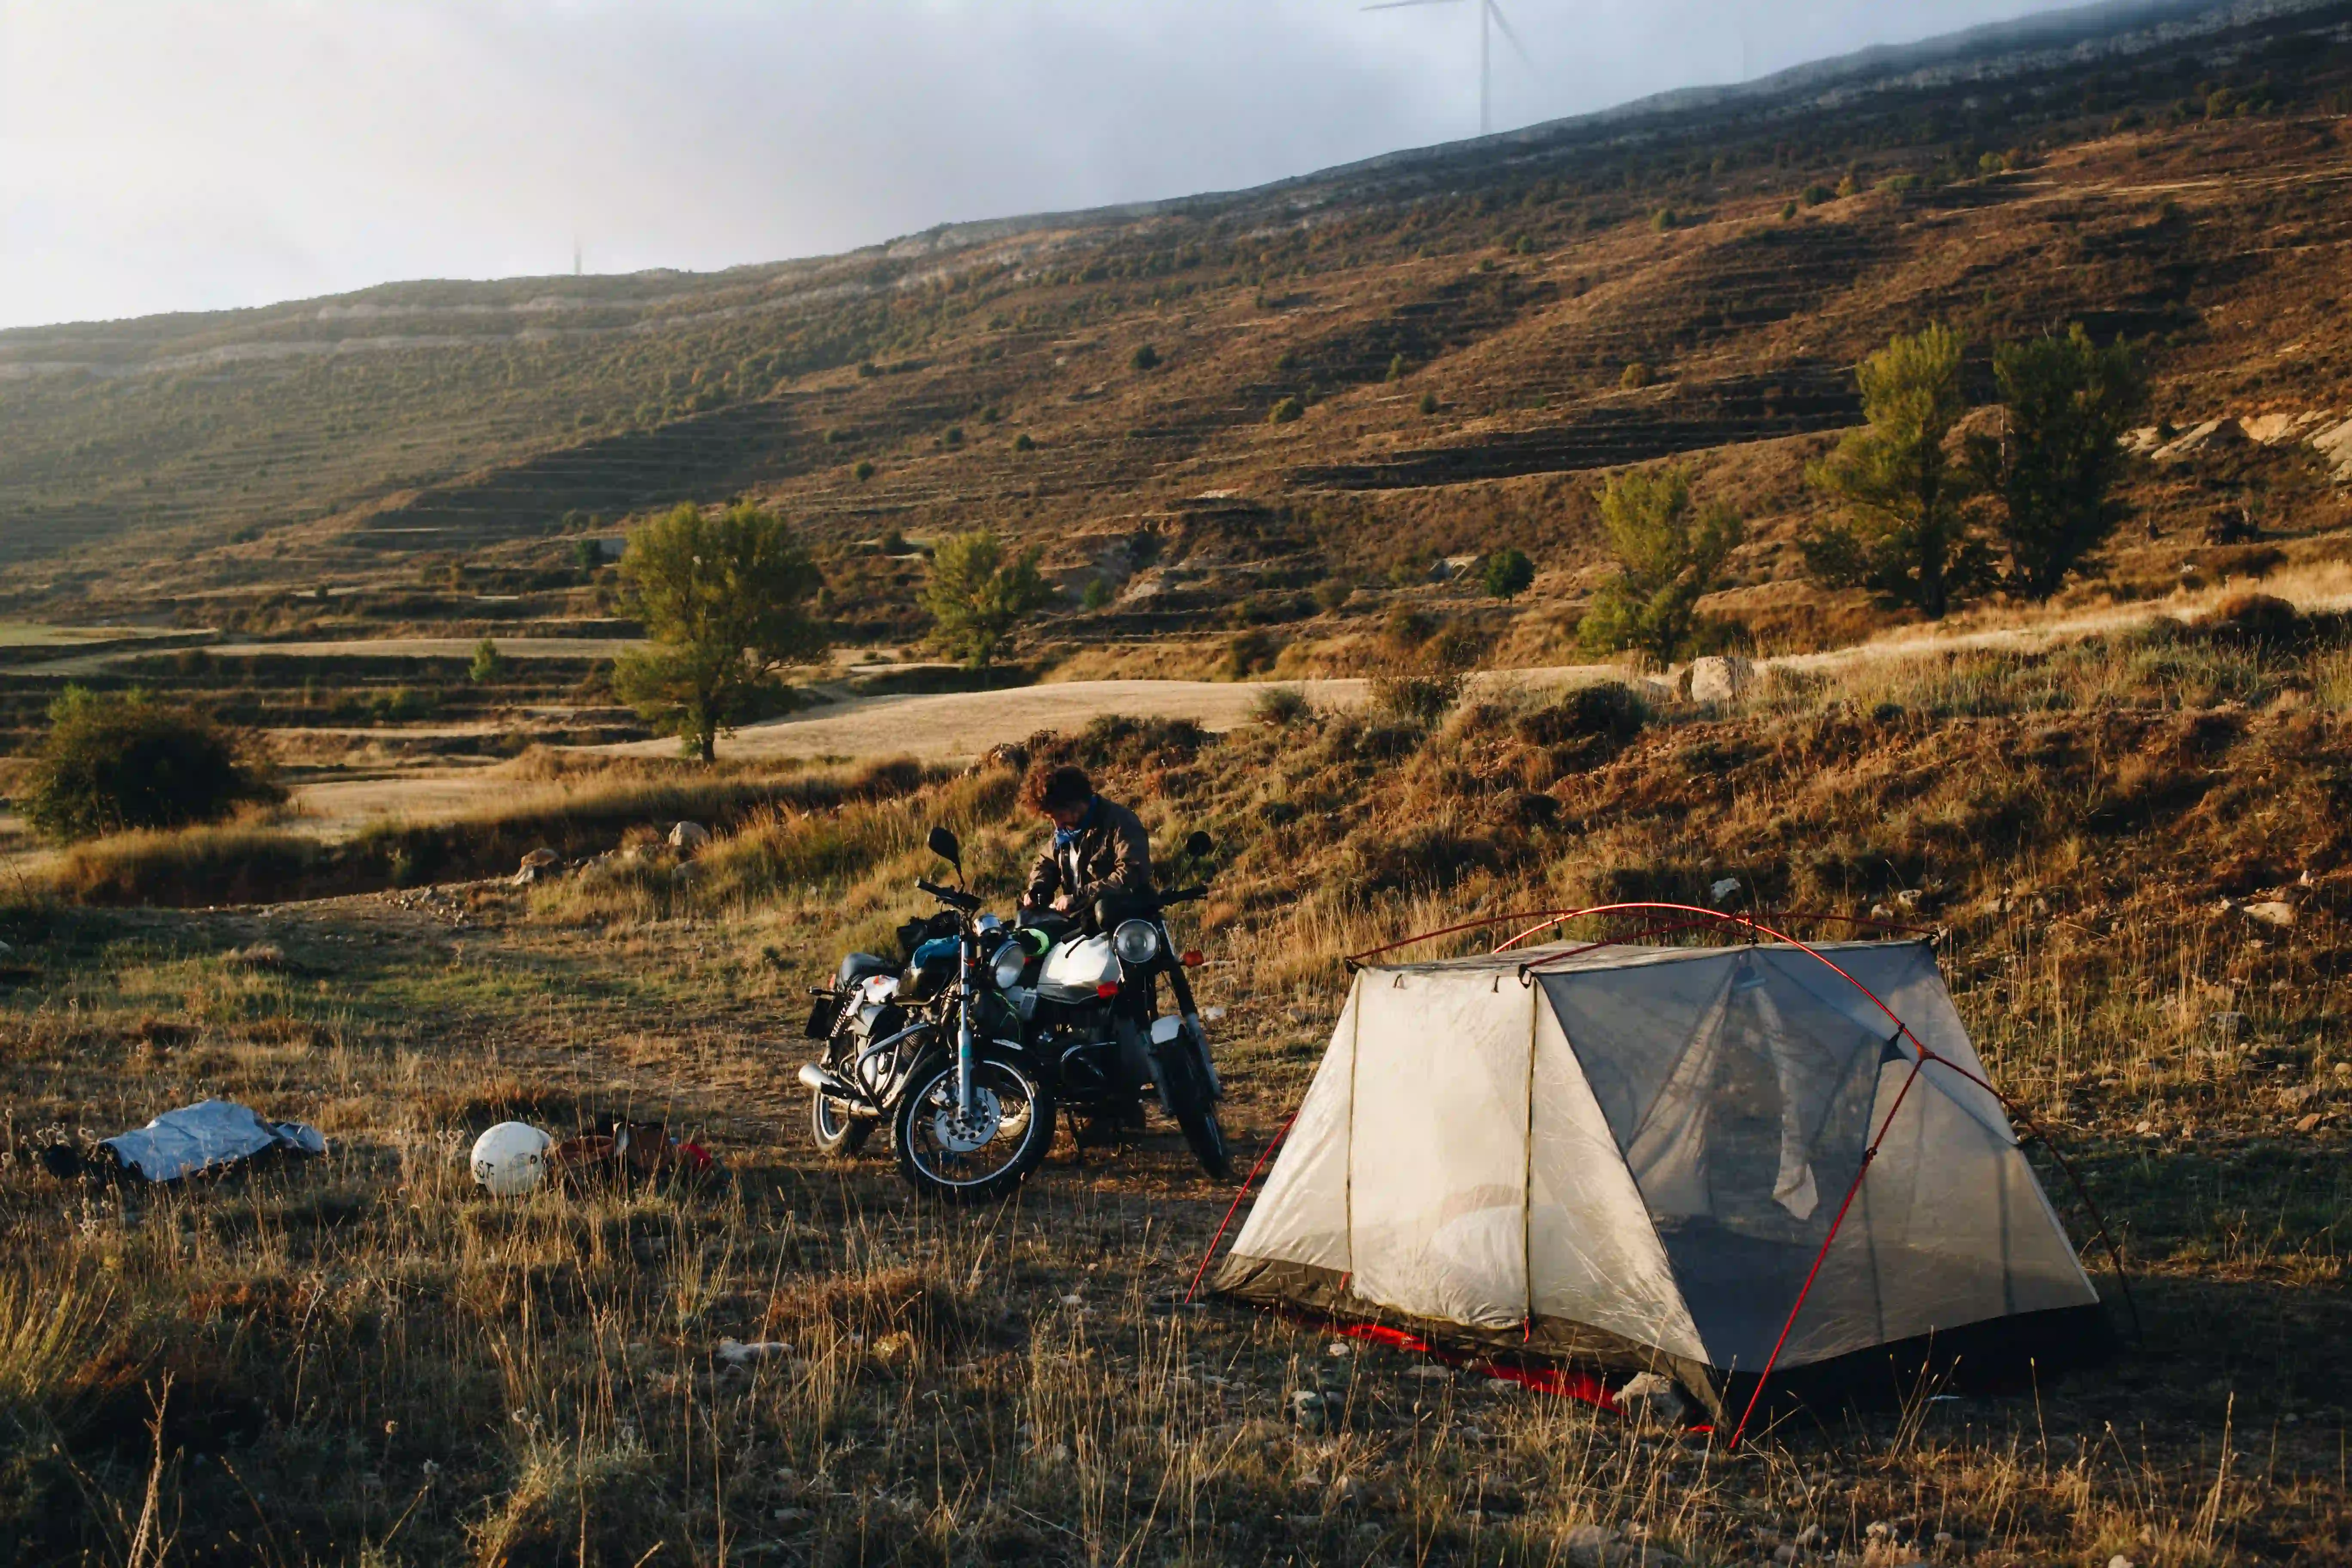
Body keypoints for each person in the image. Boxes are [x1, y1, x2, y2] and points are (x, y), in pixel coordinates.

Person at [1019, 764, 1154, 920]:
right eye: (1053, 818)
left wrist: (1080, 897)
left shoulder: (1121, 824)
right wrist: (1038, 889)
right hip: (1083, 927)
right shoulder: (1067, 831)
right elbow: (1046, 862)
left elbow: (1132, 872)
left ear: (1078, 804)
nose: (1057, 824)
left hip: (1125, 923)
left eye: (1060, 815)